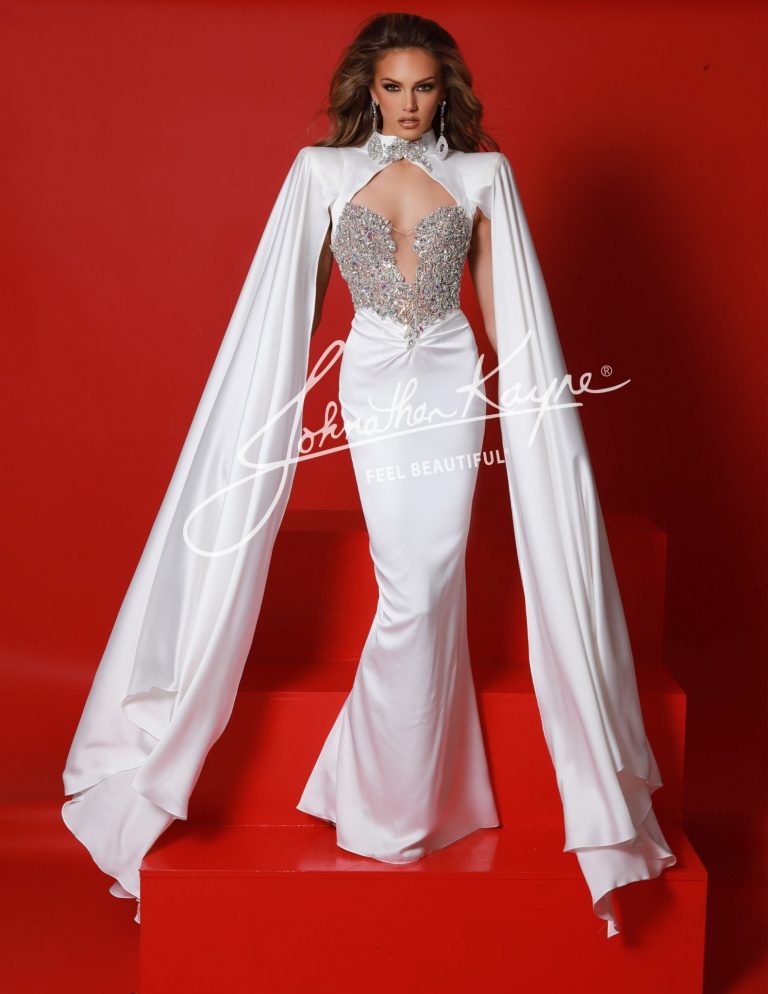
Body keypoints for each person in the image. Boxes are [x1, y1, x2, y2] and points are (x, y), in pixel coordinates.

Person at [61, 12, 676, 937]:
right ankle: (388, 800)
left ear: (446, 91)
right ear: (368, 90)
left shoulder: (483, 176)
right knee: (410, 583)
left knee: (433, 577)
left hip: (452, 379)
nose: (408, 104)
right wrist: (265, 408)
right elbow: (293, 304)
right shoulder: (321, 172)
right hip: (375, 381)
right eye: (392, 87)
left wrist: (537, 420)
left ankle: (398, 792)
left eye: (424, 86)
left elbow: (505, 309)